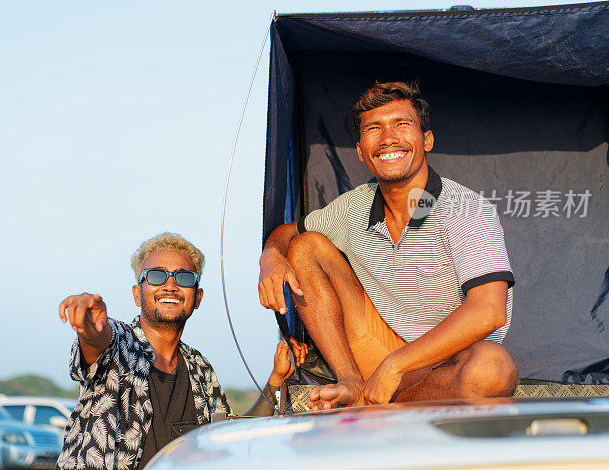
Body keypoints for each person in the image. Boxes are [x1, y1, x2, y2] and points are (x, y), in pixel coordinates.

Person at [257, 81, 519, 410]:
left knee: (493, 367)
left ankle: (377, 411)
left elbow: (489, 311)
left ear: (427, 140)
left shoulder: (467, 209)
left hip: (448, 366)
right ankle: (351, 383)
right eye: (374, 128)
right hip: (378, 354)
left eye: (402, 124)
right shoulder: (353, 207)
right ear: (361, 151)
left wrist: (396, 365)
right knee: (306, 246)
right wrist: (270, 258)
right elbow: (286, 231)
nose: (387, 138)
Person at [55, 232, 305, 470]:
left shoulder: (200, 367)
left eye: (184, 277)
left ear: (197, 297)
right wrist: (88, 325)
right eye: (156, 276)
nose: (171, 285)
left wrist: (276, 380)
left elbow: (229, 437)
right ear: (137, 294)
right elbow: (96, 340)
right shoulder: (119, 344)